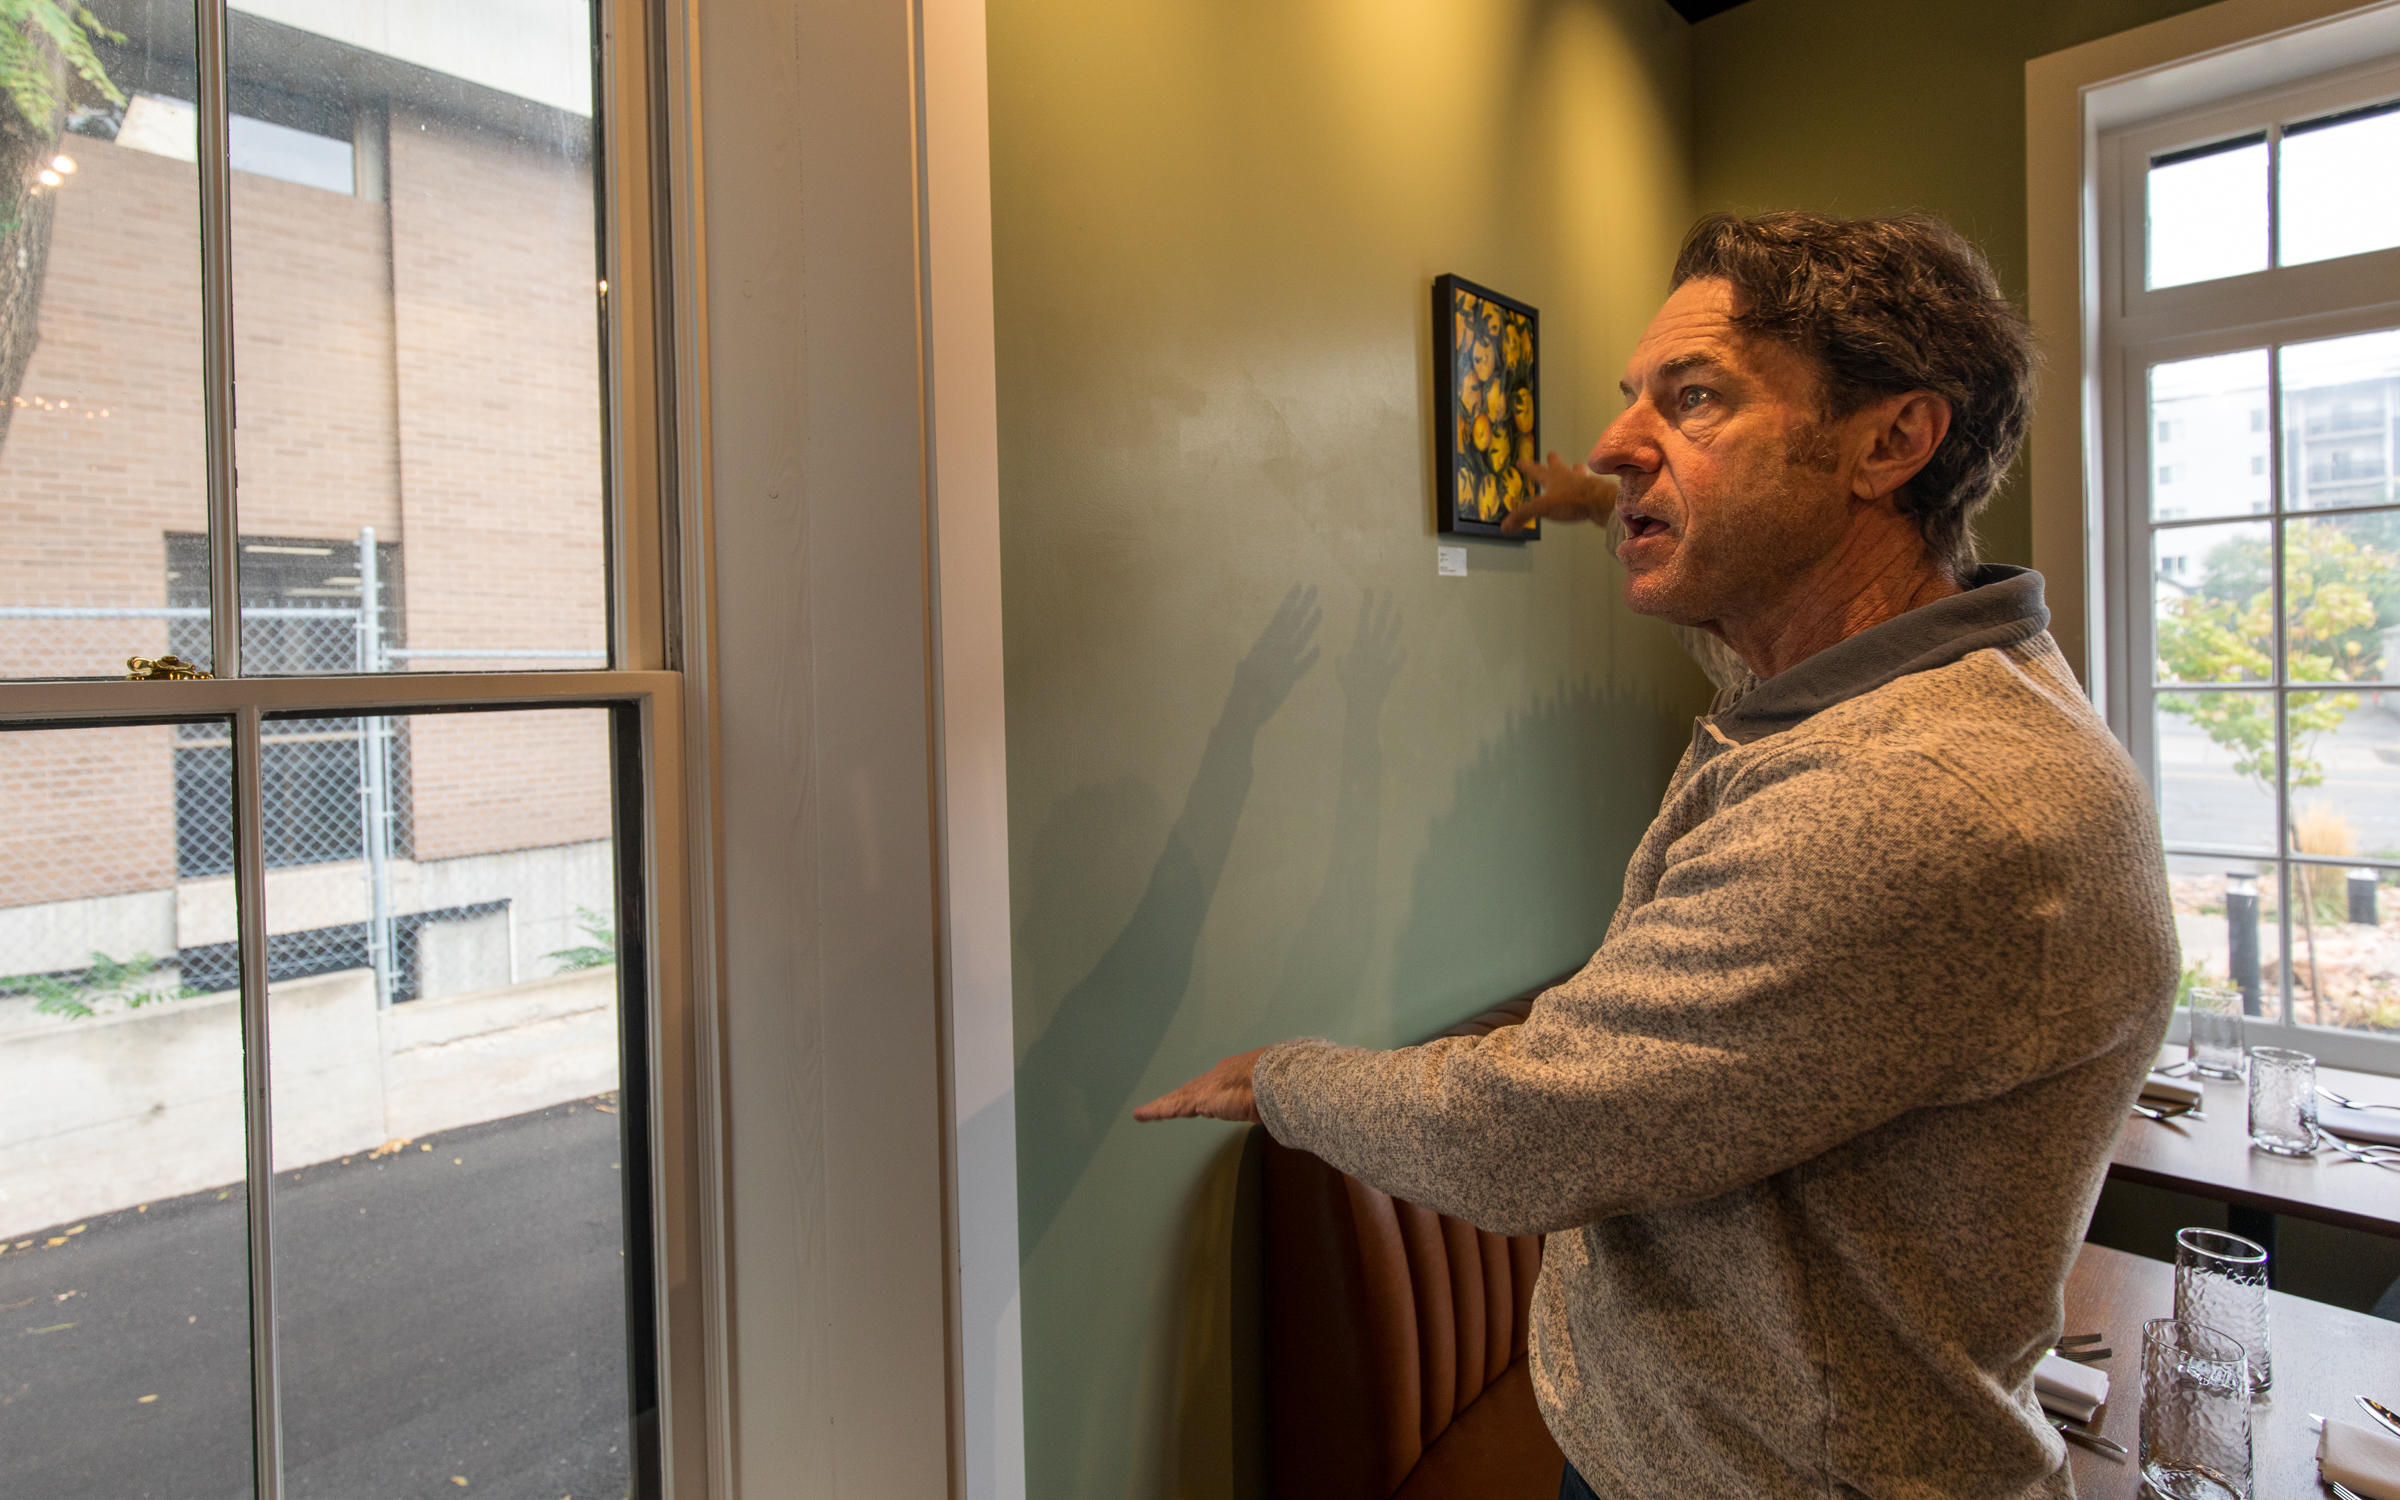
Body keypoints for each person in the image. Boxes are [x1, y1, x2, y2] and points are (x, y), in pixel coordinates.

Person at [1135, 212, 2179, 1500]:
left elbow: (1525, 1135)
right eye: (1637, 397)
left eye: (1694, 399)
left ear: (1892, 441)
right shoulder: (1918, 693)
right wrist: (1610, 503)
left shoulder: (1908, 795)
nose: (1620, 441)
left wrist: (1283, 1078)